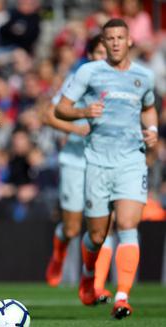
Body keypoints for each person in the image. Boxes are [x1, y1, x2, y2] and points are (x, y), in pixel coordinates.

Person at [55, 19, 158, 319]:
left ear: (129, 41)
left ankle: (122, 297)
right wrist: (82, 112)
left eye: (120, 37)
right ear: (104, 41)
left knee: (128, 226)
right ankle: (89, 276)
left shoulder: (144, 76)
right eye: (109, 37)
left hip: (131, 160)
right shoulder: (89, 72)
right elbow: (61, 107)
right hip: (98, 161)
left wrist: (150, 129)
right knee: (97, 236)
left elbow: (149, 107)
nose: (114, 42)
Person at [44, 35, 114, 303]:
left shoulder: (119, 81)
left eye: (104, 52)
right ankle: (59, 252)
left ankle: (95, 284)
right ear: (89, 55)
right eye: (97, 52)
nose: (102, 57)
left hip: (106, 160)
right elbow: (49, 114)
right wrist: (76, 127)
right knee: (73, 229)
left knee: (104, 226)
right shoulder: (79, 78)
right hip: (75, 159)